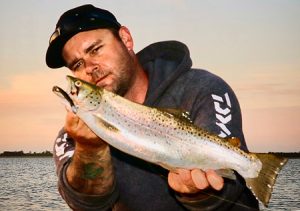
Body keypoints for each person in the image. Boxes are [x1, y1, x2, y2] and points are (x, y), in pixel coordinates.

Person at [46, 4, 259, 211]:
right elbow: (87, 205)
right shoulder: (74, 134)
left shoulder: (202, 88)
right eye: (77, 65)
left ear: (126, 39)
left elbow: (231, 186)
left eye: (96, 49)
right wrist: (89, 149)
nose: (90, 68)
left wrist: (197, 193)